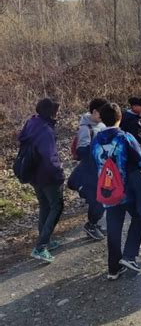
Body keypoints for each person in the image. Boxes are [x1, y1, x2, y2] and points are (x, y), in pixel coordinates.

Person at [91, 102, 141, 280]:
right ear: (120, 117)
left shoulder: (96, 140)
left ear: (102, 117)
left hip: (107, 190)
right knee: (139, 217)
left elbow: (94, 163)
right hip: (127, 190)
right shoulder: (125, 137)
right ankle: (129, 256)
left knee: (114, 228)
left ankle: (113, 269)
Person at [18, 98, 64, 263]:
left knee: (45, 205)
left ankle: (46, 240)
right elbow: (49, 157)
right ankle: (41, 247)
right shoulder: (46, 130)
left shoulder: (32, 122)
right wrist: (59, 174)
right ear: (49, 112)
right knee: (57, 206)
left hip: (33, 173)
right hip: (48, 176)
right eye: (55, 110)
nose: (57, 113)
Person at [67, 97, 108, 241]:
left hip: (100, 170)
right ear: (95, 111)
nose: (104, 116)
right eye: (102, 113)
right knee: (97, 201)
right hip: (90, 172)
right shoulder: (85, 128)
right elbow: (81, 151)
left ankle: (94, 224)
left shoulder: (101, 125)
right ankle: (91, 225)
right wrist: (98, 148)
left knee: (103, 199)